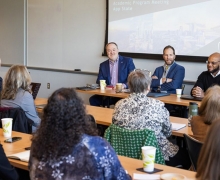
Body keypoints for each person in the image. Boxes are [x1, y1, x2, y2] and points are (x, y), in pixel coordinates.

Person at [29, 88, 130, 180]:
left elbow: (32, 174)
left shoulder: (37, 146)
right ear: (80, 114)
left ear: (48, 115)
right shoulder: (97, 146)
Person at [112, 70, 190, 169]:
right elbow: (168, 132)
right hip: (155, 156)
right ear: (148, 87)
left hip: (124, 154)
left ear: (129, 86)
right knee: (187, 155)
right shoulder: (157, 105)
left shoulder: (119, 105)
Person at [89, 42, 135, 106]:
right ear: (106, 52)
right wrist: (105, 85)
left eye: (114, 50)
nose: (112, 52)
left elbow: (133, 78)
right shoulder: (103, 65)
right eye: (109, 50)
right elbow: (99, 79)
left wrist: (123, 85)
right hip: (108, 93)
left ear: (118, 50)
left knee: (121, 104)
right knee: (93, 100)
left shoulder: (128, 61)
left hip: (122, 93)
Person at [1, 65, 41, 132]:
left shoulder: (2, 95)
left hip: (8, 131)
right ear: (25, 77)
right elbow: (35, 121)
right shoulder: (25, 96)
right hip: (28, 132)